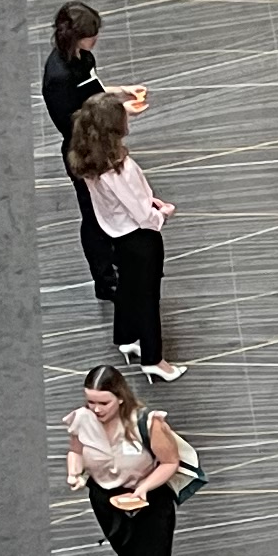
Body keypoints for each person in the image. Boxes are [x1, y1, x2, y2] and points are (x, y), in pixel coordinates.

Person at [64, 362, 191, 556]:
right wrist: (74, 472)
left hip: (150, 498)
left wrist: (143, 488)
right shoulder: (81, 420)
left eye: (102, 403)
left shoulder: (146, 422)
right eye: (90, 402)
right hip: (106, 500)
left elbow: (170, 462)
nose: (95, 409)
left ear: (120, 397)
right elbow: (75, 451)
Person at [67, 94, 183, 380]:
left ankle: (127, 338)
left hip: (115, 235)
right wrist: (162, 213)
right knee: (148, 296)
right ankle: (153, 358)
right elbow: (141, 213)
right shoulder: (120, 168)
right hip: (139, 238)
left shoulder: (89, 161)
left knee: (129, 289)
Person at [43, 2, 147, 302]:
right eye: (92, 34)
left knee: (110, 207)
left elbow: (92, 88)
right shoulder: (58, 77)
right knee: (94, 217)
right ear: (78, 36)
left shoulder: (81, 57)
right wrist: (119, 111)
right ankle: (105, 281)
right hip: (84, 152)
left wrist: (118, 91)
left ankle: (116, 259)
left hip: (99, 143)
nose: (97, 39)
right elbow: (75, 122)